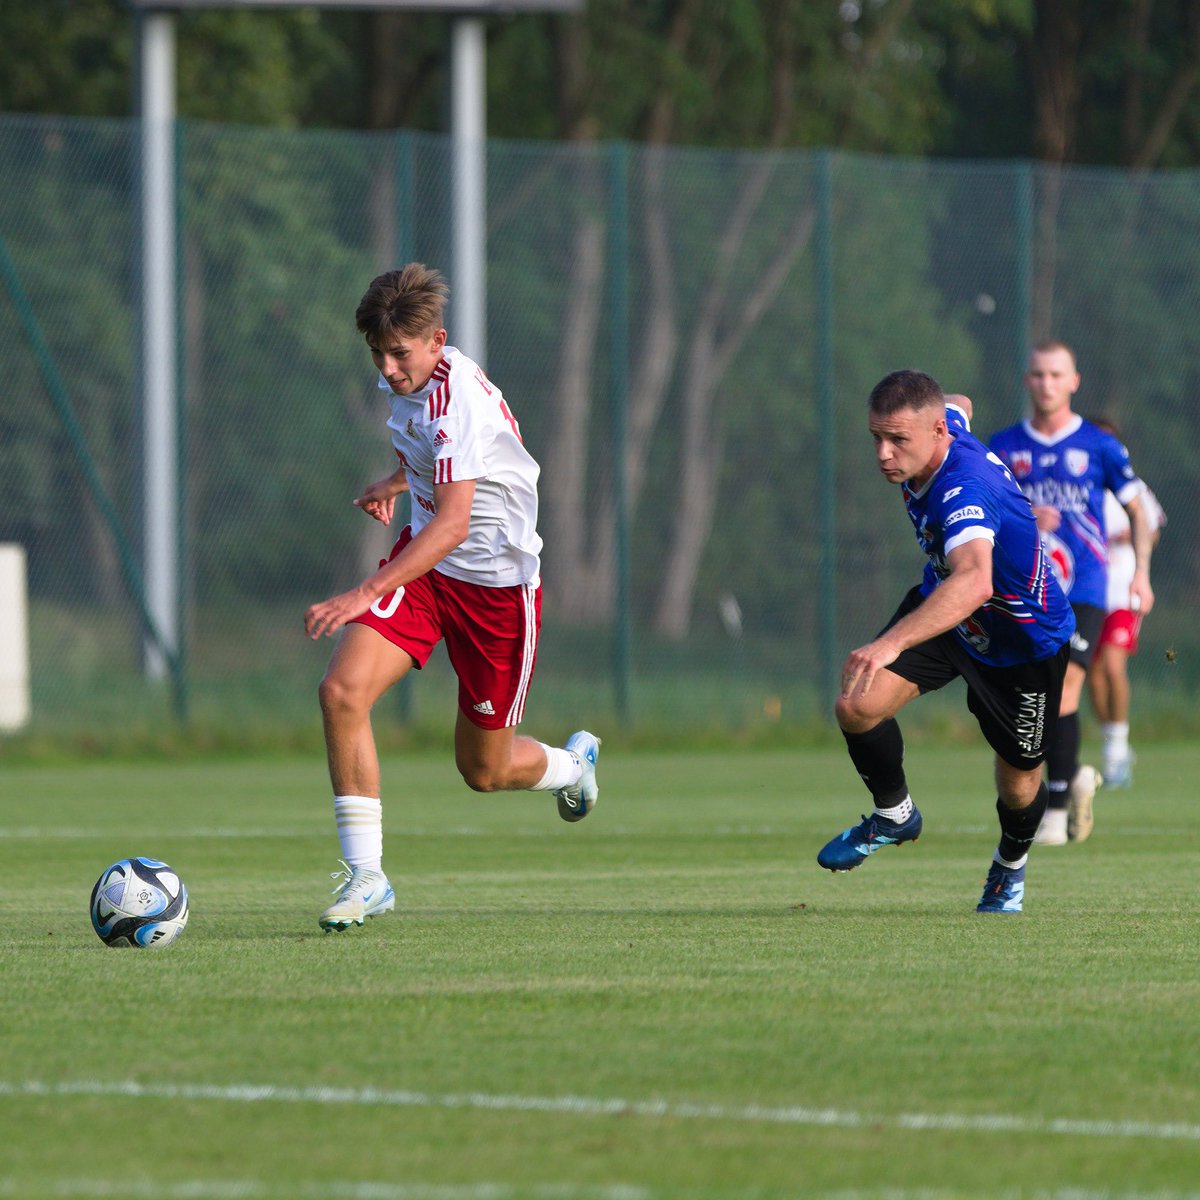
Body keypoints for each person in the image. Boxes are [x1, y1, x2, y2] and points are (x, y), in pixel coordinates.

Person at [304, 263, 600, 932]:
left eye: (399, 353)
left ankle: (570, 765)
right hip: (430, 574)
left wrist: (364, 591)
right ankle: (368, 877)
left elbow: (456, 521)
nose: (387, 366)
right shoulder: (410, 380)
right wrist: (395, 481)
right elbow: (440, 468)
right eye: (377, 352)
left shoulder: (455, 395)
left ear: (437, 340)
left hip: (497, 591)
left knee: (484, 771)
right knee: (341, 692)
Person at [817, 373, 1073, 914]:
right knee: (857, 705)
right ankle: (894, 813)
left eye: (898, 441)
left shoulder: (965, 489)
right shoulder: (944, 425)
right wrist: (940, 410)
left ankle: (1009, 866)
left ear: (935, 433)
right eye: (876, 438)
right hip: (951, 618)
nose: (884, 454)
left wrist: (888, 645)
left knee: (1020, 783)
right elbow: (961, 401)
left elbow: (976, 581)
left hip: (1022, 643)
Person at [990, 342, 1155, 844]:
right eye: (1038, 374)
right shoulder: (1002, 446)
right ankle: (1070, 779)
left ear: (1073, 381)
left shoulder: (1100, 446)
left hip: (1084, 589)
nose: (1046, 383)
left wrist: (1141, 574)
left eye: (1056, 374)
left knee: (1065, 689)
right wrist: (1024, 514)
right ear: (1027, 381)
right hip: (1024, 591)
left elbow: (1139, 511)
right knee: (1024, 698)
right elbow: (982, 516)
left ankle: (1056, 811)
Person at [1087, 419, 1166, 788]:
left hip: (1123, 592)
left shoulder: (1132, 488)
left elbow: (1150, 528)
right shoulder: (1078, 487)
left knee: (1113, 667)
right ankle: (1111, 741)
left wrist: (1130, 536)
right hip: (1087, 593)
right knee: (1090, 672)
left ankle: (1117, 750)